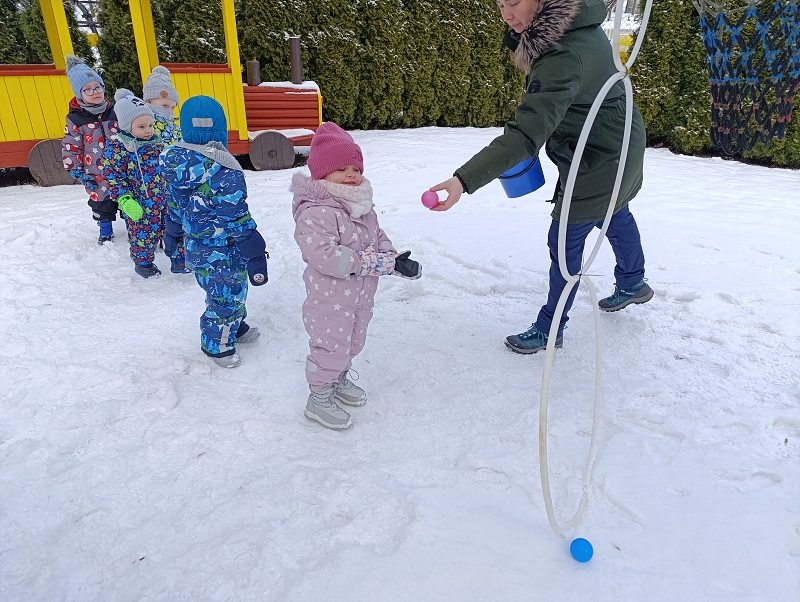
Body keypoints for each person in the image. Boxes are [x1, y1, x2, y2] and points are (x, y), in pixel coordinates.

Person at [430, 0, 652, 354]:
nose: (505, 13)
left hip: (599, 158)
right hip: (620, 142)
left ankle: (551, 328)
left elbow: (524, 135)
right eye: (500, 3)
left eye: (515, 1)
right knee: (614, 212)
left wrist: (463, 180)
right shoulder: (579, 25)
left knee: (565, 239)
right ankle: (633, 282)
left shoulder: (563, 53)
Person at [291, 122, 422, 430]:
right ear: (322, 173)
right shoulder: (316, 211)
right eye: (340, 168)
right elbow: (325, 256)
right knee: (330, 346)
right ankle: (318, 396)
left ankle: (338, 379)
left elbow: (377, 235)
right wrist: (378, 264)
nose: (351, 174)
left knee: (353, 342)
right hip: (329, 299)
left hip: (360, 296)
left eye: (355, 168)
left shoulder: (360, 205)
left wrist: (393, 257)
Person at [159, 96, 269, 368]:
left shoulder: (176, 167)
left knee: (227, 292)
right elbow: (236, 216)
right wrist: (254, 249)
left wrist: (172, 232)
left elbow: (174, 205)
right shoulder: (225, 170)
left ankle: (233, 326)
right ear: (221, 132)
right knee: (225, 297)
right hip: (223, 249)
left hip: (199, 248)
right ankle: (216, 345)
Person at [101, 89, 185, 278]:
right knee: (142, 236)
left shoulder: (157, 145)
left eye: (150, 125)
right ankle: (144, 264)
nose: (148, 130)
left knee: (175, 228)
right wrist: (124, 199)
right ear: (126, 127)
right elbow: (113, 176)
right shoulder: (118, 150)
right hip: (139, 204)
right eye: (141, 127)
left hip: (164, 200)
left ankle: (180, 259)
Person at [60, 54, 119, 245]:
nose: (95, 92)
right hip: (95, 170)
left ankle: (134, 227)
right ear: (79, 94)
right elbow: (71, 146)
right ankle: (105, 229)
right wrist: (76, 170)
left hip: (121, 166)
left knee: (127, 197)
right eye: (88, 89)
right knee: (101, 201)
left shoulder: (115, 111)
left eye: (97, 87)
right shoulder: (76, 119)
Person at [142, 65, 181, 145]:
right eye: (165, 106)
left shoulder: (174, 127)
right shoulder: (144, 124)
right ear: (149, 101)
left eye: (172, 107)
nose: (169, 111)